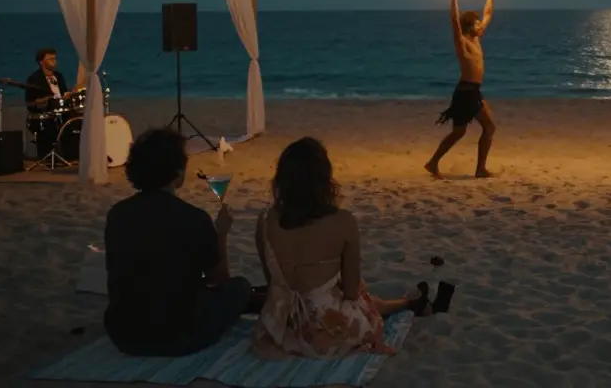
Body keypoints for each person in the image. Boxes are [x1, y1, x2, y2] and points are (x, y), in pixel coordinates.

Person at [254, 138, 445, 358]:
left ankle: (407, 302)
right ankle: (407, 303)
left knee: (338, 295)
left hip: (279, 329)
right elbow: (351, 291)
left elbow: (273, 282)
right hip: (327, 334)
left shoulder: (265, 221)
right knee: (359, 298)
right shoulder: (343, 222)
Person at [104, 128, 255, 356]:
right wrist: (221, 234)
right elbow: (219, 279)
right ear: (177, 174)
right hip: (178, 334)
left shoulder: (117, 214)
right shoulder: (193, 218)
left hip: (124, 334)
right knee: (240, 287)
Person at [426, 0, 497, 179]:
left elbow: (488, 13)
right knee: (489, 127)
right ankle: (480, 169)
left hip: (471, 91)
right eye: (476, 23)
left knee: (459, 132)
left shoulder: (477, 39)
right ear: (468, 26)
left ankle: (433, 163)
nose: (481, 24)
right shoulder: (463, 42)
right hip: (466, 92)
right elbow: (454, 21)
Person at [23, 47, 74, 158]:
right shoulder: (34, 79)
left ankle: (71, 153)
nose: (54, 61)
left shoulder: (59, 76)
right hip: (46, 113)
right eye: (50, 59)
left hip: (61, 110)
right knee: (50, 125)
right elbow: (30, 102)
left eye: (55, 58)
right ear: (41, 62)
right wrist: (47, 99)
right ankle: (51, 155)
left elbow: (63, 93)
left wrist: (68, 95)